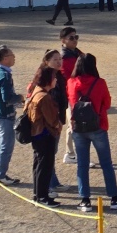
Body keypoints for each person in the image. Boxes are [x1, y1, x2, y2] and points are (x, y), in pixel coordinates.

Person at [67, 53, 117, 211]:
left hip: (78, 128)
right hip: (98, 126)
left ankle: (85, 199)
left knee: (82, 164)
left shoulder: (71, 82)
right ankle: (114, 198)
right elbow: (107, 103)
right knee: (106, 163)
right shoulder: (100, 83)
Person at [26, 50, 70, 192]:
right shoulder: (45, 78)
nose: (59, 61)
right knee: (46, 155)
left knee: (51, 153)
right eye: (55, 59)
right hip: (46, 124)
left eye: (60, 59)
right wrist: (56, 122)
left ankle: (52, 182)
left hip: (56, 119)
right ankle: (46, 186)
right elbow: (47, 104)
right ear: (46, 61)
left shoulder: (58, 76)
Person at [0, 45, 23, 186]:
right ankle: (1, 175)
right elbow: (7, 97)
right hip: (4, 115)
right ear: (5, 58)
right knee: (6, 146)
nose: (14, 57)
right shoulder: (5, 75)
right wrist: (20, 97)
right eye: (12, 55)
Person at [25, 66, 63, 206]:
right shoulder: (45, 97)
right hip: (45, 135)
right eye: (54, 78)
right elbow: (52, 120)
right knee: (45, 167)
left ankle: (38, 194)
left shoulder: (36, 92)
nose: (56, 80)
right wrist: (58, 125)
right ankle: (42, 197)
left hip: (37, 135)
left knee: (38, 165)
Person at [58, 27, 87, 166]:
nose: (75, 40)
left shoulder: (77, 53)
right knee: (74, 124)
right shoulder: (64, 58)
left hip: (79, 93)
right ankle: (72, 154)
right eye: (71, 38)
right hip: (71, 95)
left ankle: (71, 154)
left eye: (76, 37)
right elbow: (68, 78)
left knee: (75, 124)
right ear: (63, 40)